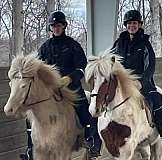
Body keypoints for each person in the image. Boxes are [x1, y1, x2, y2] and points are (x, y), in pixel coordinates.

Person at [20, 11, 102, 160]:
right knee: (30, 114)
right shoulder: (45, 47)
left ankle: (91, 140)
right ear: (51, 28)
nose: (56, 28)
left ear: (64, 26)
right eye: (53, 26)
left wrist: (69, 79)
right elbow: (39, 69)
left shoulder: (73, 45)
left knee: (84, 108)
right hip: (50, 90)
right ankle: (30, 148)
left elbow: (81, 67)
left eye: (59, 25)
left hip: (71, 87)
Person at [112, 10, 162, 146]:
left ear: (139, 25)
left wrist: (141, 82)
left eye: (135, 23)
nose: (132, 26)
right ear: (126, 25)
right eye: (129, 23)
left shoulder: (145, 44)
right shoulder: (119, 43)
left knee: (156, 100)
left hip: (141, 83)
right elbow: (111, 61)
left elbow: (150, 66)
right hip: (121, 82)